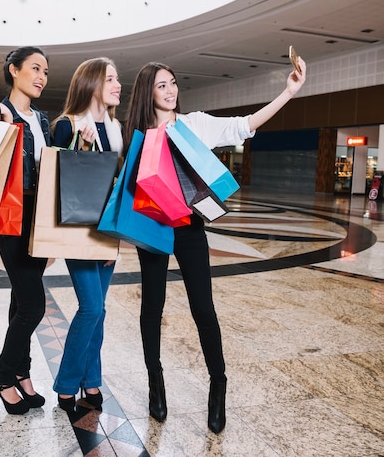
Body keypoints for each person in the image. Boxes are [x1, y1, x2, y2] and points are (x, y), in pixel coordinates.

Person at [124, 58, 307, 432]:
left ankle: (218, 384)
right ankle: (155, 383)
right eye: (161, 85)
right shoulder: (135, 134)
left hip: (190, 227)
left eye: (173, 82)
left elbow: (244, 126)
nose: (171, 90)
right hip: (152, 228)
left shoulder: (194, 125)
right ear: (148, 91)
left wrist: (288, 92)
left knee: (203, 309)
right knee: (151, 308)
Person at [50, 57, 124, 412]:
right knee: (91, 307)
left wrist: (116, 239)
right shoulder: (66, 125)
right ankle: (67, 384)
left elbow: (114, 187)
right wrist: (79, 149)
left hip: (106, 230)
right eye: (110, 78)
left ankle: (91, 382)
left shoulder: (115, 128)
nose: (117, 84)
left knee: (100, 311)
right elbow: (53, 180)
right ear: (92, 83)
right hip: (76, 230)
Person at [0, 46, 51, 415]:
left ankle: (22, 373)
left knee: (19, 301)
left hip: (37, 217)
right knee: (32, 305)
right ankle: (3, 376)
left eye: (45, 72)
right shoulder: (0, 112)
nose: (41, 76)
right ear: (14, 70)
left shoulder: (41, 119)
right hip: (11, 215)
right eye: (35, 68)